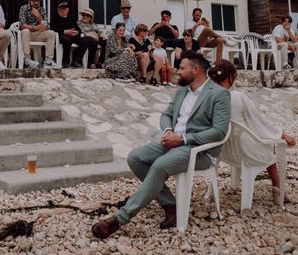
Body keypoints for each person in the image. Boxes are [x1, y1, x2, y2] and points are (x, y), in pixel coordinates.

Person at [91, 52, 230, 238]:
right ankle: (170, 204)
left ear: (196, 70)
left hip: (198, 151)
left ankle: (120, 219)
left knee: (159, 165)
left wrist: (183, 139)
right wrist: (167, 131)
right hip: (172, 141)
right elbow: (166, 114)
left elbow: (219, 131)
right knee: (135, 158)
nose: (177, 71)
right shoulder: (183, 89)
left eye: (181, 68)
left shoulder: (219, 94)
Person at [208, 60, 296, 205]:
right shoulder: (238, 97)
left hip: (224, 149)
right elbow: (258, 122)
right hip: (243, 149)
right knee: (267, 145)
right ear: (230, 77)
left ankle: (236, 184)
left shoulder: (210, 96)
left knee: (259, 140)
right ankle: (277, 188)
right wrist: (282, 134)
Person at [18, 0, 59, 69]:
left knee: (51, 33)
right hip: (26, 35)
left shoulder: (41, 9)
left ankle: (48, 61)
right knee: (26, 31)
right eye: (34, 1)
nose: (36, 3)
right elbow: (22, 25)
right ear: (29, 1)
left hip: (37, 35)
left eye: (38, 1)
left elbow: (47, 26)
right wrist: (34, 27)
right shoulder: (23, 8)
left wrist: (39, 16)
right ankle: (27, 60)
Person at [51, 2, 97, 68]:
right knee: (67, 40)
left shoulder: (71, 18)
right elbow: (52, 29)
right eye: (61, 9)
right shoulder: (55, 18)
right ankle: (65, 61)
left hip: (73, 36)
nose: (62, 11)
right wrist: (64, 31)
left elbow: (78, 29)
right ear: (58, 10)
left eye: (64, 9)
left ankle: (76, 60)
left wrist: (76, 32)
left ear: (67, 10)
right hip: (61, 36)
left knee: (89, 40)